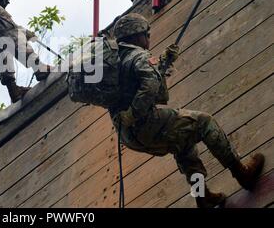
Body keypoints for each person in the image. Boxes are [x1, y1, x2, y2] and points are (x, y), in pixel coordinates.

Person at [109, 13, 265, 208]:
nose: (148, 38)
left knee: (183, 146)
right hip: (145, 123)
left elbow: (135, 86)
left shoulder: (115, 63)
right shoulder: (138, 55)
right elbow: (149, 87)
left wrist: (164, 62)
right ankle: (242, 174)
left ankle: (203, 197)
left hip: (128, 136)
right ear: (134, 35)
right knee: (204, 122)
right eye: (146, 34)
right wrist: (134, 113)